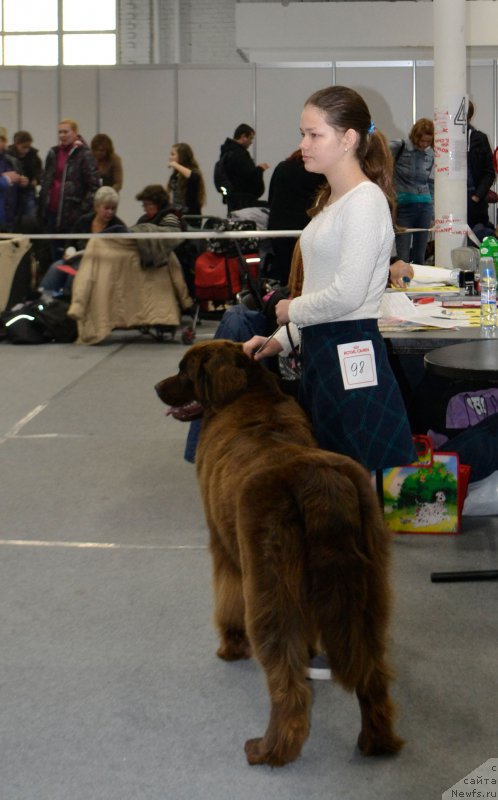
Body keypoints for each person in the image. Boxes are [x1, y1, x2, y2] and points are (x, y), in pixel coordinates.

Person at [243, 85, 415, 472]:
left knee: (355, 477)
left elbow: (348, 295)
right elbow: (325, 291)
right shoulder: (332, 201)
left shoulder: (365, 202)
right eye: (303, 133)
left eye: (314, 134)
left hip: (349, 350)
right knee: (335, 478)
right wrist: (281, 340)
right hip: (324, 351)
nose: (304, 144)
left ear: (348, 139)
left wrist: (290, 309)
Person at [39, 185, 127, 296]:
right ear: (96, 207)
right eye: (106, 208)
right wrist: (67, 252)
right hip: (76, 260)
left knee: (75, 273)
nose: (110, 212)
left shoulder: (119, 227)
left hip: (101, 265)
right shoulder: (83, 221)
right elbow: (70, 242)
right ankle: (43, 297)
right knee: (56, 266)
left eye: (113, 208)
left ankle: (66, 301)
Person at [39, 118, 101, 257]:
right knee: (54, 254)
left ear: (75, 133)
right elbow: (45, 179)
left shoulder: (85, 154)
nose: (62, 135)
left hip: (73, 215)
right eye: (60, 132)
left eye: (66, 131)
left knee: (71, 254)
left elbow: (94, 186)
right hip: (52, 214)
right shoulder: (53, 153)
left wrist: (81, 210)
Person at [267, 149, 324, 285]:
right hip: (302, 228)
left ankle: (284, 296)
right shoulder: (317, 172)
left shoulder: (281, 167)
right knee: (303, 274)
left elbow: (271, 198)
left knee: (284, 272)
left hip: (277, 228)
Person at [390, 118, 434, 264]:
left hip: (425, 207)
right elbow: (379, 159)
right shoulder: (399, 146)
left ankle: (418, 286)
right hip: (404, 206)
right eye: (422, 141)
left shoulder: (431, 154)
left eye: (429, 142)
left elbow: (431, 182)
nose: (425, 145)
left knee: (420, 256)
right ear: (415, 136)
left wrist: (433, 215)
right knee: (403, 256)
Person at [216, 123, 269, 213]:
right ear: (243, 136)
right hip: (244, 202)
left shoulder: (227, 152)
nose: (251, 142)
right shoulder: (239, 154)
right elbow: (248, 176)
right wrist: (260, 169)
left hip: (232, 200)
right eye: (250, 138)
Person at [466, 100, 496, 241]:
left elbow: (490, 172)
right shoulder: (443, 138)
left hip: (474, 202)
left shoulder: (479, 138)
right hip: (450, 200)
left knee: (477, 244)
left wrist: (477, 196)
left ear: (469, 116)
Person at [7, 130, 42, 227]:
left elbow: (40, 171)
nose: (26, 150)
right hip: (11, 191)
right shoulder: (7, 156)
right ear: (16, 144)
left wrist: (37, 179)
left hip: (28, 190)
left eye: (28, 147)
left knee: (31, 218)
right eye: (24, 147)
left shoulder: (33, 155)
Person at [167, 142, 206, 217]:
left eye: (173, 154)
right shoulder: (175, 175)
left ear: (182, 156)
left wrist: (175, 165)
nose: (170, 157)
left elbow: (193, 177)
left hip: (190, 215)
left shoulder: (193, 172)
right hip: (176, 214)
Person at [0, 126, 23, 231]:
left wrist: (22, 182)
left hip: (10, 216)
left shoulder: (11, 161)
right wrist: (6, 180)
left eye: (2, 140)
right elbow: (6, 180)